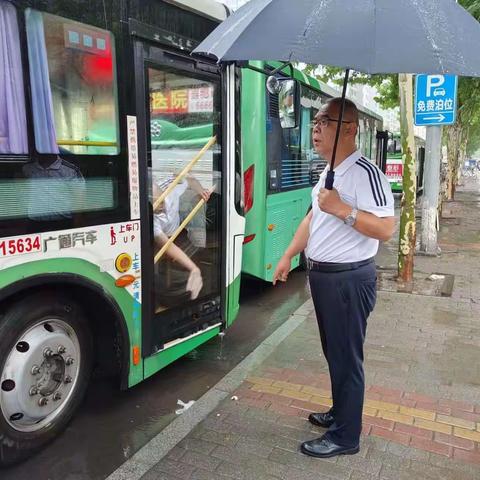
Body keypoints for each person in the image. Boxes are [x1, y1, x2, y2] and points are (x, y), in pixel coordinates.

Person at [273, 98, 395, 458]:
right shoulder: (328, 171)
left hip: (348, 281)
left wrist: (343, 208)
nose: (315, 127)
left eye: (324, 121)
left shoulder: (366, 173)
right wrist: (288, 255)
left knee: (346, 358)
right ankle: (340, 413)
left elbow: (387, 229)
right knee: (334, 353)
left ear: (349, 128)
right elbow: (313, 219)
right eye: (315, 120)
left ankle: (346, 437)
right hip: (324, 279)